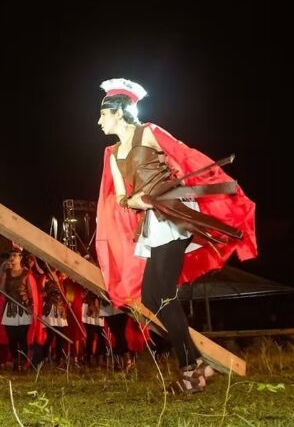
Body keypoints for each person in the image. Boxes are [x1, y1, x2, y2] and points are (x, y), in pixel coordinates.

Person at [94, 78, 257, 393]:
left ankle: (189, 371)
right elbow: (121, 197)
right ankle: (198, 364)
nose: (99, 121)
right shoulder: (112, 154)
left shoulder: (149, 132)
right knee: (151, 297)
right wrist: (138, 201)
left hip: (174, 214)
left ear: (118, 112)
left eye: (103, 114)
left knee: (163, 294)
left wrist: (180, 193)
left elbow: (184, 157)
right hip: (153, 220)